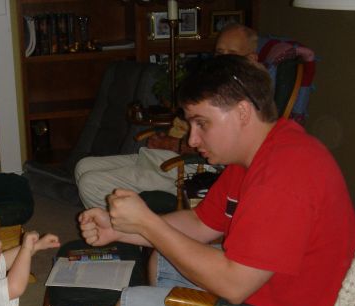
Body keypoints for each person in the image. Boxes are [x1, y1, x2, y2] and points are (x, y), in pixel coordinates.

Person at [60, 54, 355, 306]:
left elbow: (233, 285)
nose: (193, 140)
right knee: (164, 260)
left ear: (241, 112)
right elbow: (202, 224)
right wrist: (123, 229)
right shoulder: (255, 155)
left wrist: (149, 226)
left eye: (202, 123)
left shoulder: (287, 174)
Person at [75, 23, 259, 209]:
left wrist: (176, 145)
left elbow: (229, 150)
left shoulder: (247, 98)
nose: (223, 61)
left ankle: (124, 231)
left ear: (251, 59)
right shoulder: (214, 86)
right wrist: (170, 138)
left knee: (91, 183)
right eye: (220, 53)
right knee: (83, 166)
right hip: (172, 155)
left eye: (232, 55)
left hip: (199, 168)